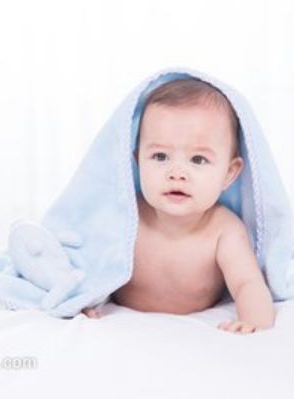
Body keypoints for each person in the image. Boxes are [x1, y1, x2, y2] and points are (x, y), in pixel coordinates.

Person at [83, 78, 275, 334]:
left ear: (229, 173)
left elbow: (247, 283)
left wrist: (254, 322)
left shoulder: (224, 230)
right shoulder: (125, 218)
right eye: (160, 156)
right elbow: (91, 263)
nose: (177, 173)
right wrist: (83, 300)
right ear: (137, 161)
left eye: (198, 159)